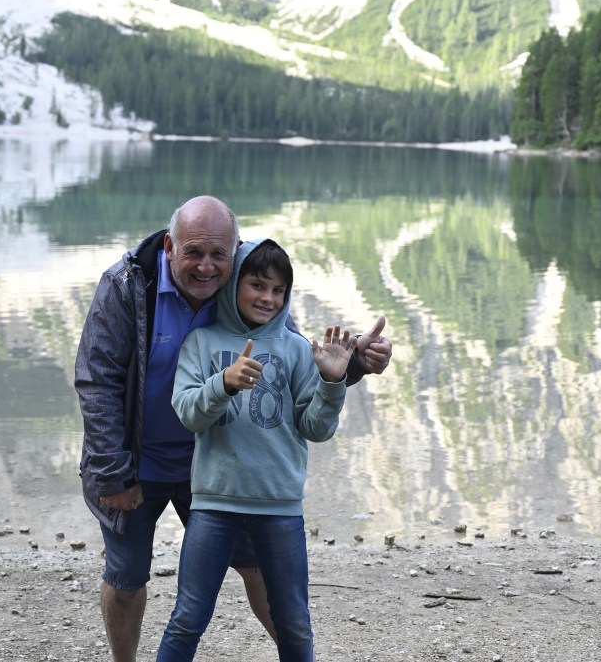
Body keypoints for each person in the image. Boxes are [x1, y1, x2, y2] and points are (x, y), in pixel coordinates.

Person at [74, 195, 391, 662]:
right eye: (194, 253)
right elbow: (96, 379)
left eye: (218, 254)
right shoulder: (127, 287)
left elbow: (290, 361)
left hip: (218, 468)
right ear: (170, 247)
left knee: (257, 570)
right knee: (126, 578)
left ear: (235, 252)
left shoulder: (242, 284)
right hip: (136, 464)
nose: (206, 267)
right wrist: (111, 472)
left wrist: (354, 363)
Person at [157, 238, 351, 661]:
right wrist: (223, 383)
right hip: (213, 503)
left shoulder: (296, 348)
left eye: (278, 290)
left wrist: (332, 383)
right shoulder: (201, 343)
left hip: (280, 506)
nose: (268, 298)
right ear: (233, 285)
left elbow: (316, 428)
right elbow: (188, 414)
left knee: (294, 622)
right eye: (257, 285)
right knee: (188, 618)